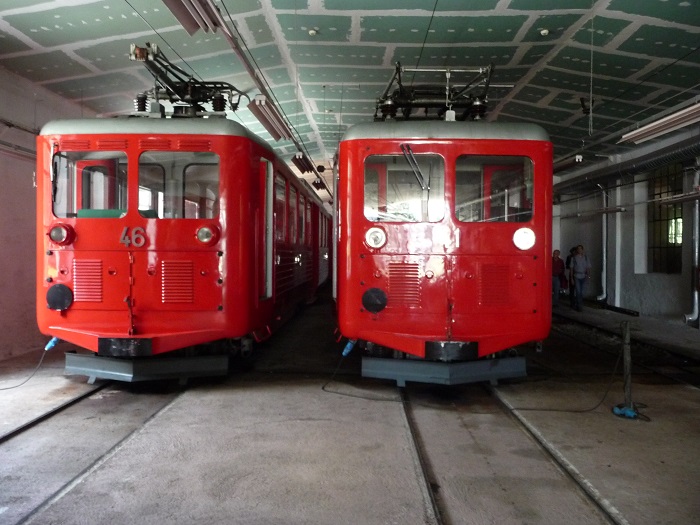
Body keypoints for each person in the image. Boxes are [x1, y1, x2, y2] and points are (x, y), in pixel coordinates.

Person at [571, 244, 591, 311]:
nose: (579, 250)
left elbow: (588, 267)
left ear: (582, 250)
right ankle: (579, 306)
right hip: (576, 275)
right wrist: (571, 278)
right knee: (578, 291)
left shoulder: (586, 257)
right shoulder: (574, 258)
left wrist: (588, 276)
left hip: (583, 275)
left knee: (582, 292)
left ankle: (578, 304)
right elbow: (571, 268)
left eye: (580, 249)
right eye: (578, 249)